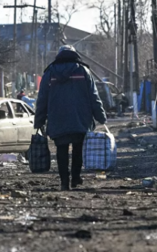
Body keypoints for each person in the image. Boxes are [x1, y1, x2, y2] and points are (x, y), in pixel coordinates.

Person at [34, 46, 107, 191]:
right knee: (78, 149)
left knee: (61, 150)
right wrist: (101, 116)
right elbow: (94, 96)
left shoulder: (49, 73)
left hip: (57, 119)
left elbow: (42, 98)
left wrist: (39, 120)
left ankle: (64, 182)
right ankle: (75, 178)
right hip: (80, 118)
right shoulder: (83, 71)